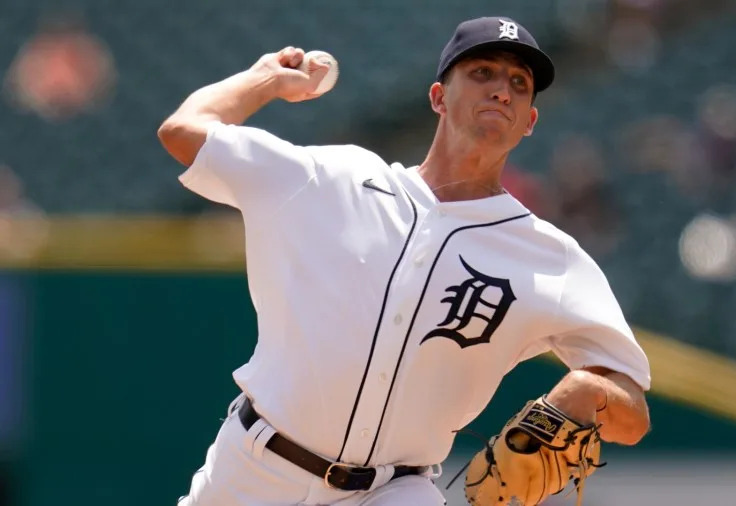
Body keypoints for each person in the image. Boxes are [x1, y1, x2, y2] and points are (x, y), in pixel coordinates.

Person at [158, 16, 651, 506]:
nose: (502, 90)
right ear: (438, 96)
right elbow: (184, 131)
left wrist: (589, 390)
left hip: (394, 490)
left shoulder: (551, 258)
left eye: (519, 84)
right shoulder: (331, 179)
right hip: (254, 472)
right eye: (482, 73)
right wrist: (265, 79)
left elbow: (632, 414)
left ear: (529, 121)